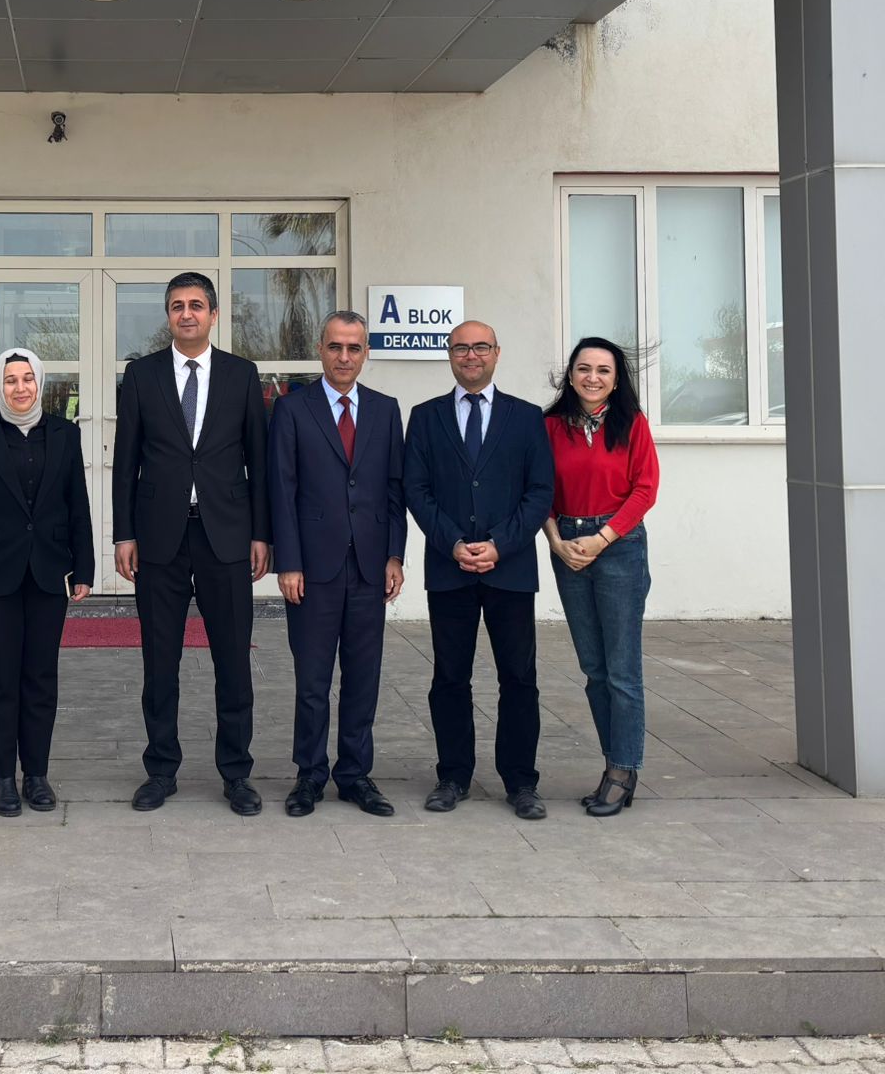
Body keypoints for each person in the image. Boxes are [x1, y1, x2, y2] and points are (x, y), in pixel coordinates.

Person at [112, 271, 271, 816]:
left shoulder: (242, 374)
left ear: (213, 315)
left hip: (227, 534)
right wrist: (124, 532)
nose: (187, 314)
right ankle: (161, 769)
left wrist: (261, 533)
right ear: (168, 316)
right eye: (177, 305)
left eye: (196, 305)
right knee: (160, 662)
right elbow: (126, 460)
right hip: (160, 537)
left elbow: (259, 460)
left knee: (233, 661)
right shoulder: (141, 375)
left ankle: (236, 773)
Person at [403, 320, 555, 820]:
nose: (471, 355)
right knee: (450, 676)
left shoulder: (526, 417)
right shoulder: (425, 417)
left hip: (509, 569)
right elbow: (416, 489)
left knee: (519, 678)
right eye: (461, 348)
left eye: (481, 347)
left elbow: (540, 492)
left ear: (497, 353)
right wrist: (452, 543)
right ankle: (453, 776)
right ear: (449, 355)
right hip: (450, 569)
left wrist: (499, 545)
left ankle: (521, 781)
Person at [268, 310, 407, 818]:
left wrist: (395, 554)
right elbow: (281, 491)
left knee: (363, 677)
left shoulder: (386, 409)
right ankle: (309, 775)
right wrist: (288, 562)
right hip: (313, 568)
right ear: (320, 350)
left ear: (365, 352)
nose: (344, 357)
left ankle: (354, 775)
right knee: (312, 681)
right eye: (335, 347)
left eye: (354, 348)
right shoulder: (292, 410)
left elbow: (395, 489)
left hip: (370, 566)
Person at [0, 348, 95, 817]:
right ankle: (1, 777)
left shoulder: (65, 435)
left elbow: (77, 505)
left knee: (40, 678)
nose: (20, 387)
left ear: (41, 383)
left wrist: (84, 568)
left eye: (27, 378)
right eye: (10, 380)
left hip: (48, 573)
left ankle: (36, 774)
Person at [543, 336, 660, 818]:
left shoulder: (632, 424)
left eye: (603, 370)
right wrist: (556, 541)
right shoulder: (549, 426)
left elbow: (645, 489)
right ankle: (616, 764)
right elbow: (538, 488)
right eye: (584, 369)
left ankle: (622, 770)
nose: (593, 377)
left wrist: (603, 539)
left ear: (616, 380)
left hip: (618, 547)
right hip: (567, 546)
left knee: (622, 671)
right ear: (570, 376)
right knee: (594, 670)